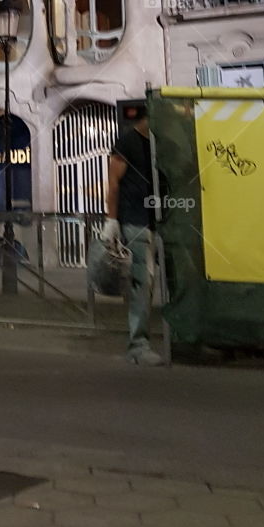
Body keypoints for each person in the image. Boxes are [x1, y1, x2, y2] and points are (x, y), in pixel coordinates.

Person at [104, 103, 164, 366]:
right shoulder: (128, 141)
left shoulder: (159, 144)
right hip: (136, 222)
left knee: (150, 283)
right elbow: (113, 182)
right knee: (142, 283)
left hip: (157, 221)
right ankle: (137, 346)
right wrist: (112, 219)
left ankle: (148, 342)